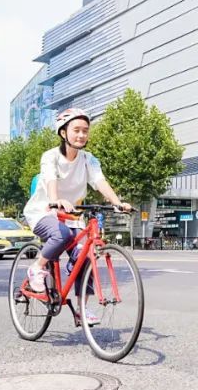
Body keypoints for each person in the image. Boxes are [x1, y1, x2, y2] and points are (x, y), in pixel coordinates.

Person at [22, 108, 131, 322]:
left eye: (85, 131)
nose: (81, 135)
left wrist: (117, 203)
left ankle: (82, 308)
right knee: (62, 234)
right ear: (63, 132)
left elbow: (99, 181)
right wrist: (56, 201)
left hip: (72, 215)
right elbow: (50, 179)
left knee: (85, 255)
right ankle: (37, 268)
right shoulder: (50, 156)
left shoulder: (88, 159)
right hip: (44, 211)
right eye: (76, 130)